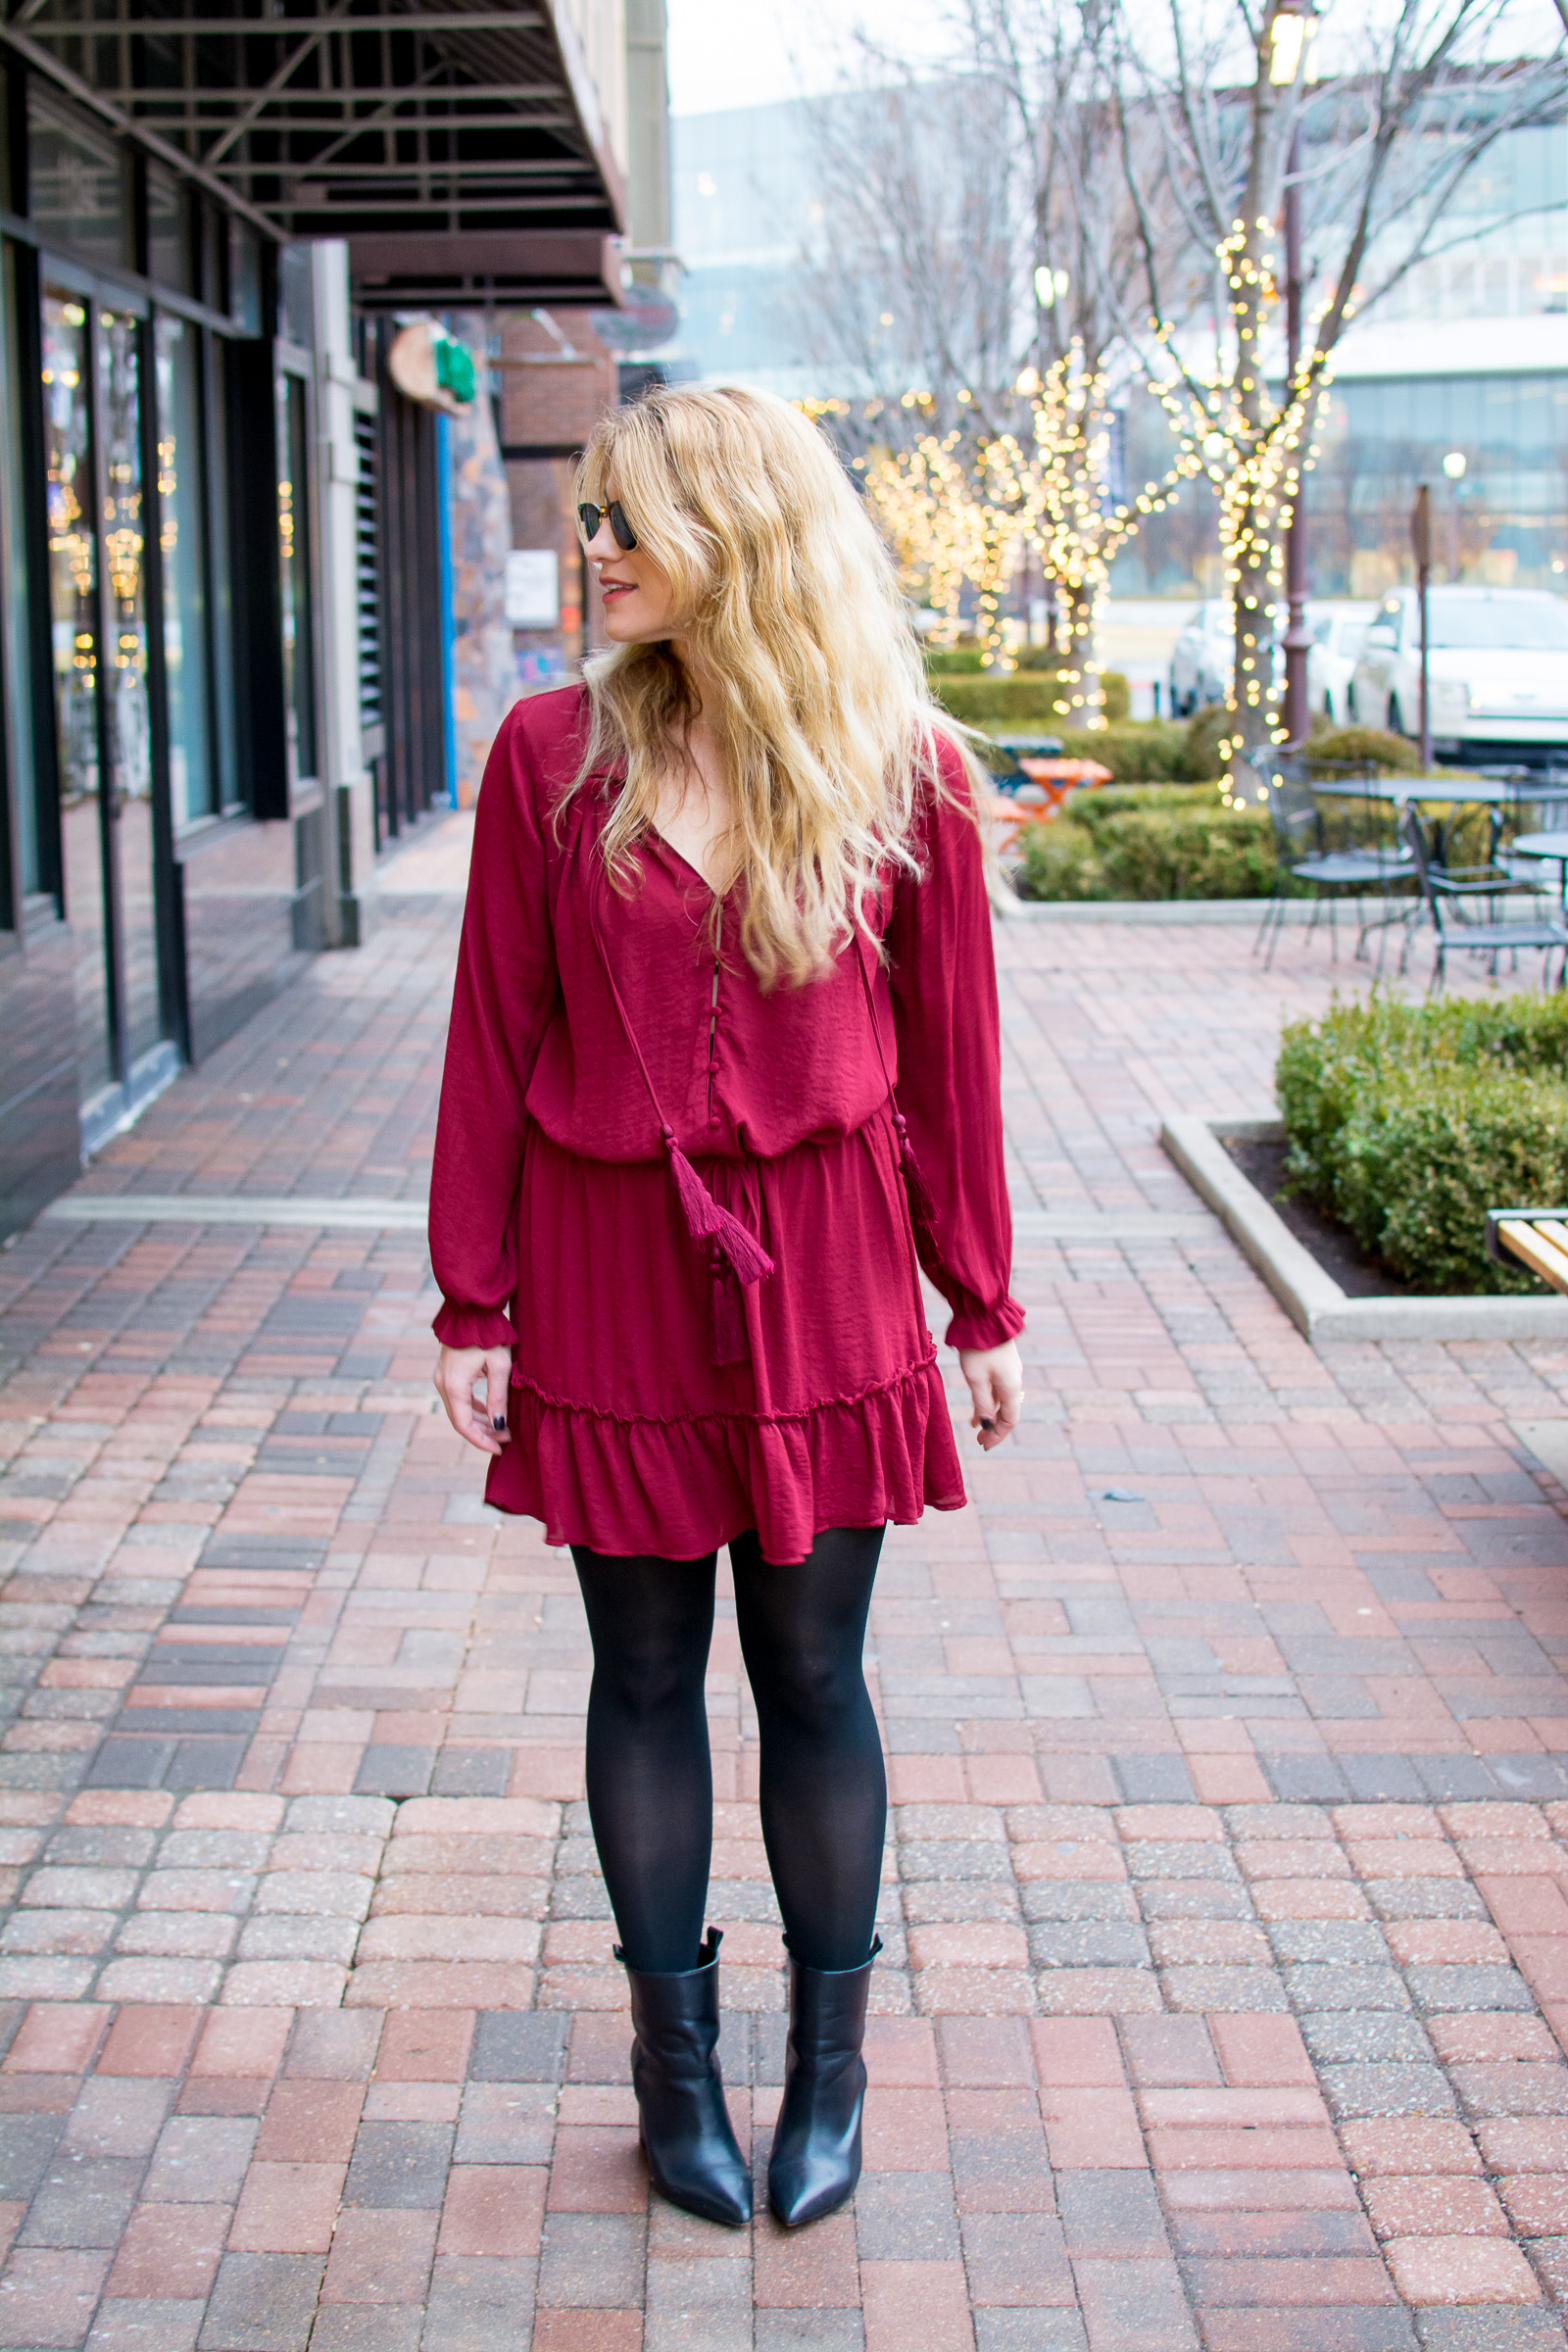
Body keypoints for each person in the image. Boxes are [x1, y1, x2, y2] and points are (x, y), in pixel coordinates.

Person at [429, 384, 1024, 2231]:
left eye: (627, 523)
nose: (589, 552)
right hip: (608, 1258)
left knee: (817, 1670)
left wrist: (981, 1298)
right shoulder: (544, 756)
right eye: (586, 517)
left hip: (829, 1261)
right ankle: (671, 2075)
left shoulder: (896, 764)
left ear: (739, 537)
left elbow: (954, 1055)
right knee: (637, 1668)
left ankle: (823, 2080)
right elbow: (492, 1033)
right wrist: (476, 1300)